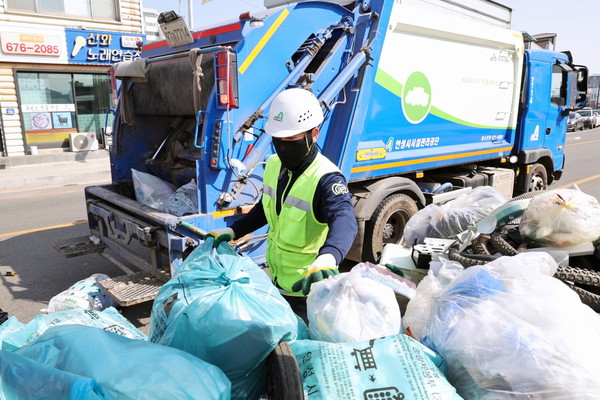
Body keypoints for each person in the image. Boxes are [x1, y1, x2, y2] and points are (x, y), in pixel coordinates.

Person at [210, 88, 358, 321]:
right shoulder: (273, 165)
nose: (284, 146)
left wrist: (329, 257)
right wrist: (233, 230)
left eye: (291, 139)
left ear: (314, 134)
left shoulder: (326, 178)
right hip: (277, 282)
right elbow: (266, 209)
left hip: (308, 290)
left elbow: (345, 220)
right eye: (278, 140)